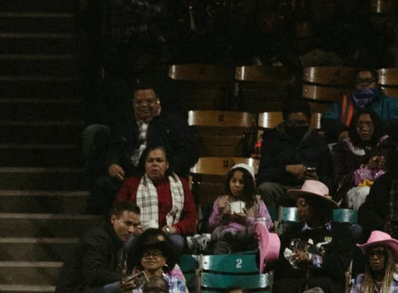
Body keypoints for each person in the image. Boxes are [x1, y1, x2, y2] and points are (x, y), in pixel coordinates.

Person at [87, 86, 197, 214]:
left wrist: (167, 168)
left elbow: (190, 153)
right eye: (139, 102)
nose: (144, 105)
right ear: (133, 103)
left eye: (149, 101)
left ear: (158, 102)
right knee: (102, 184)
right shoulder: (123, 122)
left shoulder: (175, 122)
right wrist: (111, 163)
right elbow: (112, 147)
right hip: (127, 174)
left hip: (161, 175)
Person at [50, 201, 144, 293]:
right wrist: (123, 278)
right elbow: (93, 274)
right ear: (113, 219)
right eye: (127, 223)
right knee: (122, 286)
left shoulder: (117, 242)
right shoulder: (96, 239)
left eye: (135, 225)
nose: (131, 230)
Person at [270, 181, 354, 293]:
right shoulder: (292, 232)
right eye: (297, 205)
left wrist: (311, 258)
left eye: (303, 205)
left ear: (318, 206)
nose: (298, 209)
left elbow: (339, 265)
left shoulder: (341, 233)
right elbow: (278, 264)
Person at [255, 101, 334, 213]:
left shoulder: (318, 142)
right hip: (281, 187)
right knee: (265, 189)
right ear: (285, 121)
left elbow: (329, 177)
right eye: (292, 124)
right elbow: (263, 174)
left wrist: (317, 180)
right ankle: (271, 226)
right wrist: (286, 169)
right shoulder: (272, 139)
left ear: (309, 121)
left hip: (308, 189)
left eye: (301, 123)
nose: (297, 127)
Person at [115, 146, 197, 250]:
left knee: (177, 242)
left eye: (159, 160)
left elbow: (191, 217)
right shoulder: (131, 183)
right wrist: (133, 228)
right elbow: (119, 211)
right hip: (139, 233)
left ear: (167, 164)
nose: (155, 164)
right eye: (150, 161)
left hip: (168, 234)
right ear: (144, 164)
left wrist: (174, 229)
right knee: (128, 242)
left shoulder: (181, 184)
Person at [320, 66, 398, 140]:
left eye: (368, 81)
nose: (364, 84)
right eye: (360, 81)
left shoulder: (389, 102)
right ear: (354, 84)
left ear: (376, 83)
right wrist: (342, 131)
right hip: (350, 144)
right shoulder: (344, 103)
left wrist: (375, 129)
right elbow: (327, 119)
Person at [204, 164, 271, 253]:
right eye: (233, 181)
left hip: (248, 240)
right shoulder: (221, 200)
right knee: (220, 246)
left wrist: (246, 219)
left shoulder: (257, 202)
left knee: (248, 235)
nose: (237, 185)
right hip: (224, 240)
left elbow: (267, 226)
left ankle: (206, 239)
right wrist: (219, 212)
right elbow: (210, 226)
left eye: (241, 182)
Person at [122, 229, 188, 293]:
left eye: (156, 253)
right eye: (146, 254)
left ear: (164, 260)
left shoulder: (177, 284)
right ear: (141, 259)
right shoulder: (133, 284)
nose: (151, 257)